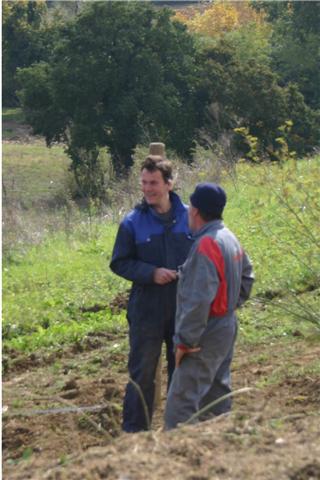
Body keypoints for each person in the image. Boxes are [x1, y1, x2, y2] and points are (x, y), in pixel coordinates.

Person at [110, 142, 193, 432]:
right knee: (143, 373)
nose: (148, 189)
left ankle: (181, 429)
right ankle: (135, 434)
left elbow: (204, 254)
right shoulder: (132, 222)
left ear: (170, 183)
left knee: (183, 369)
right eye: (144, 183)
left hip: (183, 307)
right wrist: (150, 272)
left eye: (154, 183)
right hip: (146, 308)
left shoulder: (189, 216)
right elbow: (119, 262)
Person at [164, 182, 254, 429]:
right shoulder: (229, 237)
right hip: (226, 325)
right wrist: (228, 306)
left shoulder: (206, 245)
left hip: (205, 332)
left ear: (194, 210)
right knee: (217, 395)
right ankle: (220, 446)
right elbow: (247, 277)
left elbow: (198, 300)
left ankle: (173, 456)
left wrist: (184, 341)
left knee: (181, 402)